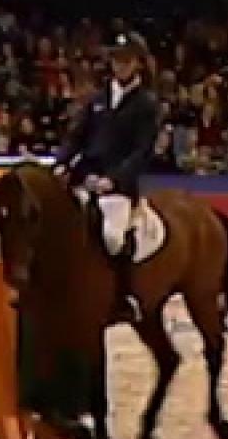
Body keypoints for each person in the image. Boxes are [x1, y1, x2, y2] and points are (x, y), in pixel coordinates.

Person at [55, 31, 161, 323]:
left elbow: (141, 152)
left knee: (113, 237)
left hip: (117, 186)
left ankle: (123, 296)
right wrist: (60, 163)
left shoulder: (146, 104)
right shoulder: (98, 99)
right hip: (85, 176)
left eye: (126, 60)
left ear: (137, 63)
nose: (120, 65)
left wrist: (114, 180)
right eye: (116, 60)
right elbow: (76, 137)